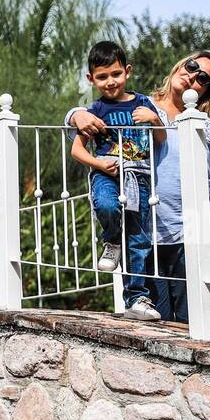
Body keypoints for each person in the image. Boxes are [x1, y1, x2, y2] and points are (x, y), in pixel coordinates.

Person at [68, 51, 210, 324]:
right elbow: (100, 108)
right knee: (155, 318)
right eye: (191, 66)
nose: (193, 75)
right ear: (179, 65)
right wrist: (75, 114)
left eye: (203, 78)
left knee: (191, 318)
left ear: (207, 92)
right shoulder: (140, 106)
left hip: (188, 233)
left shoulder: (209, 128)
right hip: (144, 229)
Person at [69, 41, 166, 321]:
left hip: (139, 178)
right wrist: (100, 164)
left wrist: (155, 121)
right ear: (91, 79)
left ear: (127, 71)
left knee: (138, 240)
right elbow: (76, 150)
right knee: (107, 207)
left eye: (115, 74)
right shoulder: (95, 110)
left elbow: (161, 140)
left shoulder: (143, 103)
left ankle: (136, 298)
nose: (110, 82)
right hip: (107, 174)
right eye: (102, 77)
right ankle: (111, 240)